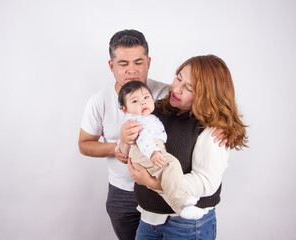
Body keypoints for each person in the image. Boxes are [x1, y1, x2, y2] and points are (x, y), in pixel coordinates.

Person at [124, 54, 248, 239]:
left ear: (206, 95)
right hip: (149, 220)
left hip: (186, 226)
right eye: (178, 77)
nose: (177, 88)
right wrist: (124, 136)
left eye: (188, 88)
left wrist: (151, 183)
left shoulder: (212, 130)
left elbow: (206, 183)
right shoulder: (156, 109)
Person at [78, 29, 170, 240]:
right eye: (123, 64)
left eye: (138, 63)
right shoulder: (99, 100)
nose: (132, 70)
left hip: (160, 188)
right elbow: (84, 144)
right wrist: (116, 147)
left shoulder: (167, 94)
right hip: (122, 193)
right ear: (112, 66)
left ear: (148, 62)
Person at [117, 80, 203, 218]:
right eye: (135, 101)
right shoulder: (137, 121)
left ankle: (182, 210)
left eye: (146, 97)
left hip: (149, 149)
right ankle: (183, 198)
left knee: (165, 178)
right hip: (146, 150)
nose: (143, 102)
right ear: (124, 109)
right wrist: (153, 152)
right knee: (171, 165)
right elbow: (143, 139)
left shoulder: (144, 116)